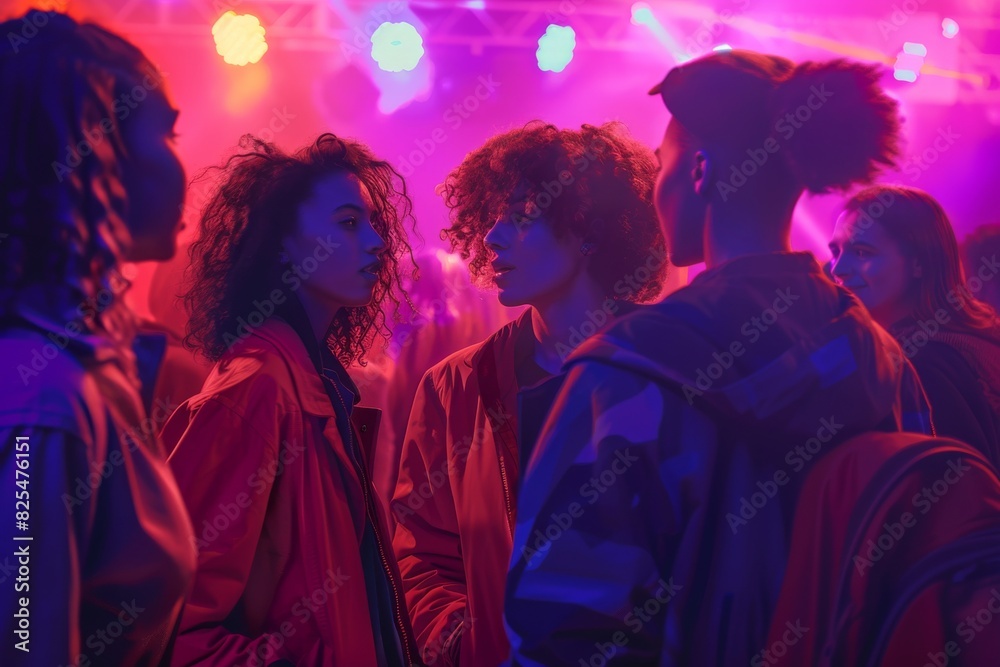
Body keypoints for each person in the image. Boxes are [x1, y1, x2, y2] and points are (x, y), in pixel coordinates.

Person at [503, 50, 931, 665]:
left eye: (662, 164)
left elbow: (557, 630)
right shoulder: (883, 363)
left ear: (700, 171)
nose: (656, 185)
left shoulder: (624, 370)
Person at [391, 121, 668, 666]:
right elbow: (421, 552)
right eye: (491, 218)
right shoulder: (456, 387)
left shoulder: (673, 367)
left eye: (521, 215)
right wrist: (461, 643)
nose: (491, 237)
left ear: (588, 229)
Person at [160, 133, 421, 666]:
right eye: (349, 223)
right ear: (281, 244)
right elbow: (175, 626)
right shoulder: (254, 389)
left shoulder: (314, 381)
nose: (377, 242)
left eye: (374, 223)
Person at [0, 10, 195, 666]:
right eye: (166, 134)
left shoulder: (70, 369)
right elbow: (24, 643)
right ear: (90, 149)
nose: (181, 165)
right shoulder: (43, 397)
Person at [830, 185, 1000, 465]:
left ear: (919, 263)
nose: (838, 269)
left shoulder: (918, 363)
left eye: (861, 252)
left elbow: (951, 481)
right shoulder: (977, 338)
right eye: (836, 251)